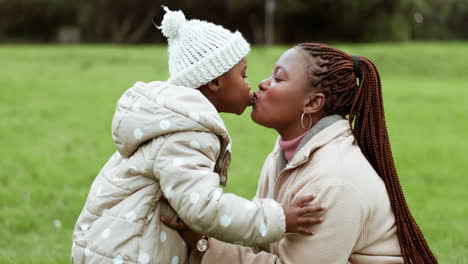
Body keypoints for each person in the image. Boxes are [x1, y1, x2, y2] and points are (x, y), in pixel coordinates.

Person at [71, 8, 325, 264]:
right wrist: (279, 218)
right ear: (215, 82)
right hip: (125, 255)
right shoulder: (186, 133)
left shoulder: (175, 121)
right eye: (243, 75)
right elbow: (205, 208)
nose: (251, 84)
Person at [163, 43, 438, 263]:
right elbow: (264, 245)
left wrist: (203, 243)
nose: (262, 83)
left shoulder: (334, 180)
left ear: (313, 103)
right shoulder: (286, 155)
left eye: (278, 78)